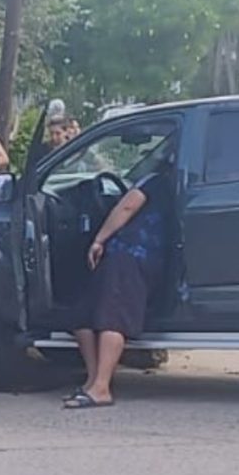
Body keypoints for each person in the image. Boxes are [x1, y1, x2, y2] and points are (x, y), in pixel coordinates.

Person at [64, 155, 175, 409]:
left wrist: (99, 239)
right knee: (82, 316)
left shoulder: (153, 181)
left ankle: (101, 388)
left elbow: (127, 206)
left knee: (111, 317)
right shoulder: (174, 185)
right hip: (127, 256)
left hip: (132, 254)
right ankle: (92, 383)